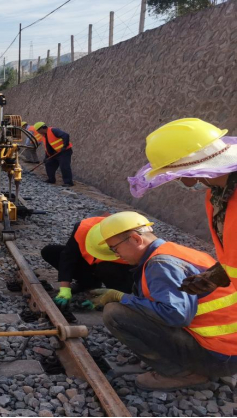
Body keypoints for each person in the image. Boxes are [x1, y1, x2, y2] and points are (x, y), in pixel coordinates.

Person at [94, 211, 237, 390]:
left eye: (115, 248)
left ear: (136, 239)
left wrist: (121, 297)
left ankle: (183, 375)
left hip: (218, 357)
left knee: (115, 314)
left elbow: (176, 316)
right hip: (228, 350)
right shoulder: (175, 252)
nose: (116, 254)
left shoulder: (161, 264)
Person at [128, 118, 237, 295]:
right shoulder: (216, 196)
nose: (177, 180)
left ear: (189, 172)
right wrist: (213, 277)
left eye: (174, 176)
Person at [41, 214, 133, 308]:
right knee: (50, 252)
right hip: (91, 265)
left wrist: (113, 297)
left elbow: (137, 278)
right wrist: (65, 288)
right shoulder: (83, 228)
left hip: (114, 271)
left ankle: (113, 297)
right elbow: (68, 257)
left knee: (105, 268)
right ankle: (88, 284)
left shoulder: (131, 245)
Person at [34, 122, 74, 187]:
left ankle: (68, 182)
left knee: (64, 166)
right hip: (54, 154)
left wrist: (64, 146)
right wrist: (46, 157)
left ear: (41, 129)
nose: (38, 132)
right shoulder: (44, 136)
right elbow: (47, 147)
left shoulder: (53, 130)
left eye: (37, 131)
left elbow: (66, 135)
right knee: (48, 164)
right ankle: (51, 179)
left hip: (64, 152)